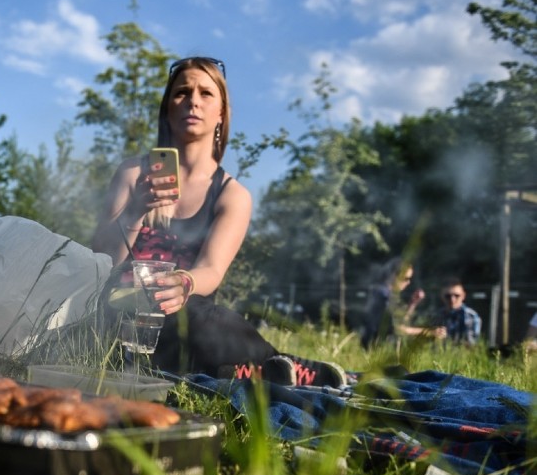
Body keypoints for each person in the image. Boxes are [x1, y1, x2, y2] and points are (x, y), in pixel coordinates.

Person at [91, 56, 345, 387]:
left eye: (206, 93)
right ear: (168, 106)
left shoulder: (232, 195)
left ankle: (276, 366)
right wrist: (135, 211)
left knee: (207, 320)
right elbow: (100, 258)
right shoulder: (132, 173)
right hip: (120, 311)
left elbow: (211, 269)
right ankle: (252, 371)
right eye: (182, 92)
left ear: (221, 113)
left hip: (186, 318)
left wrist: (184, 283)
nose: (193, 101)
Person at [360, 257, 445, 348]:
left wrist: (413, 303)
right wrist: (429, 332)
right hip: (375, 348)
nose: (408, 282)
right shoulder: (383, 296)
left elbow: (402, 320)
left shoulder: (386, 294)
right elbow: (398, 328)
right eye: (405, 278)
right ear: (393, 275)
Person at [433, 277, 481, 347]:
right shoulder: (436, 315)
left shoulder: (471, 316)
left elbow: (471, 345)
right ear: (442, 296)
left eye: (456, 295)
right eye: (448, 296)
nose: (452, 299)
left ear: (463, 295)